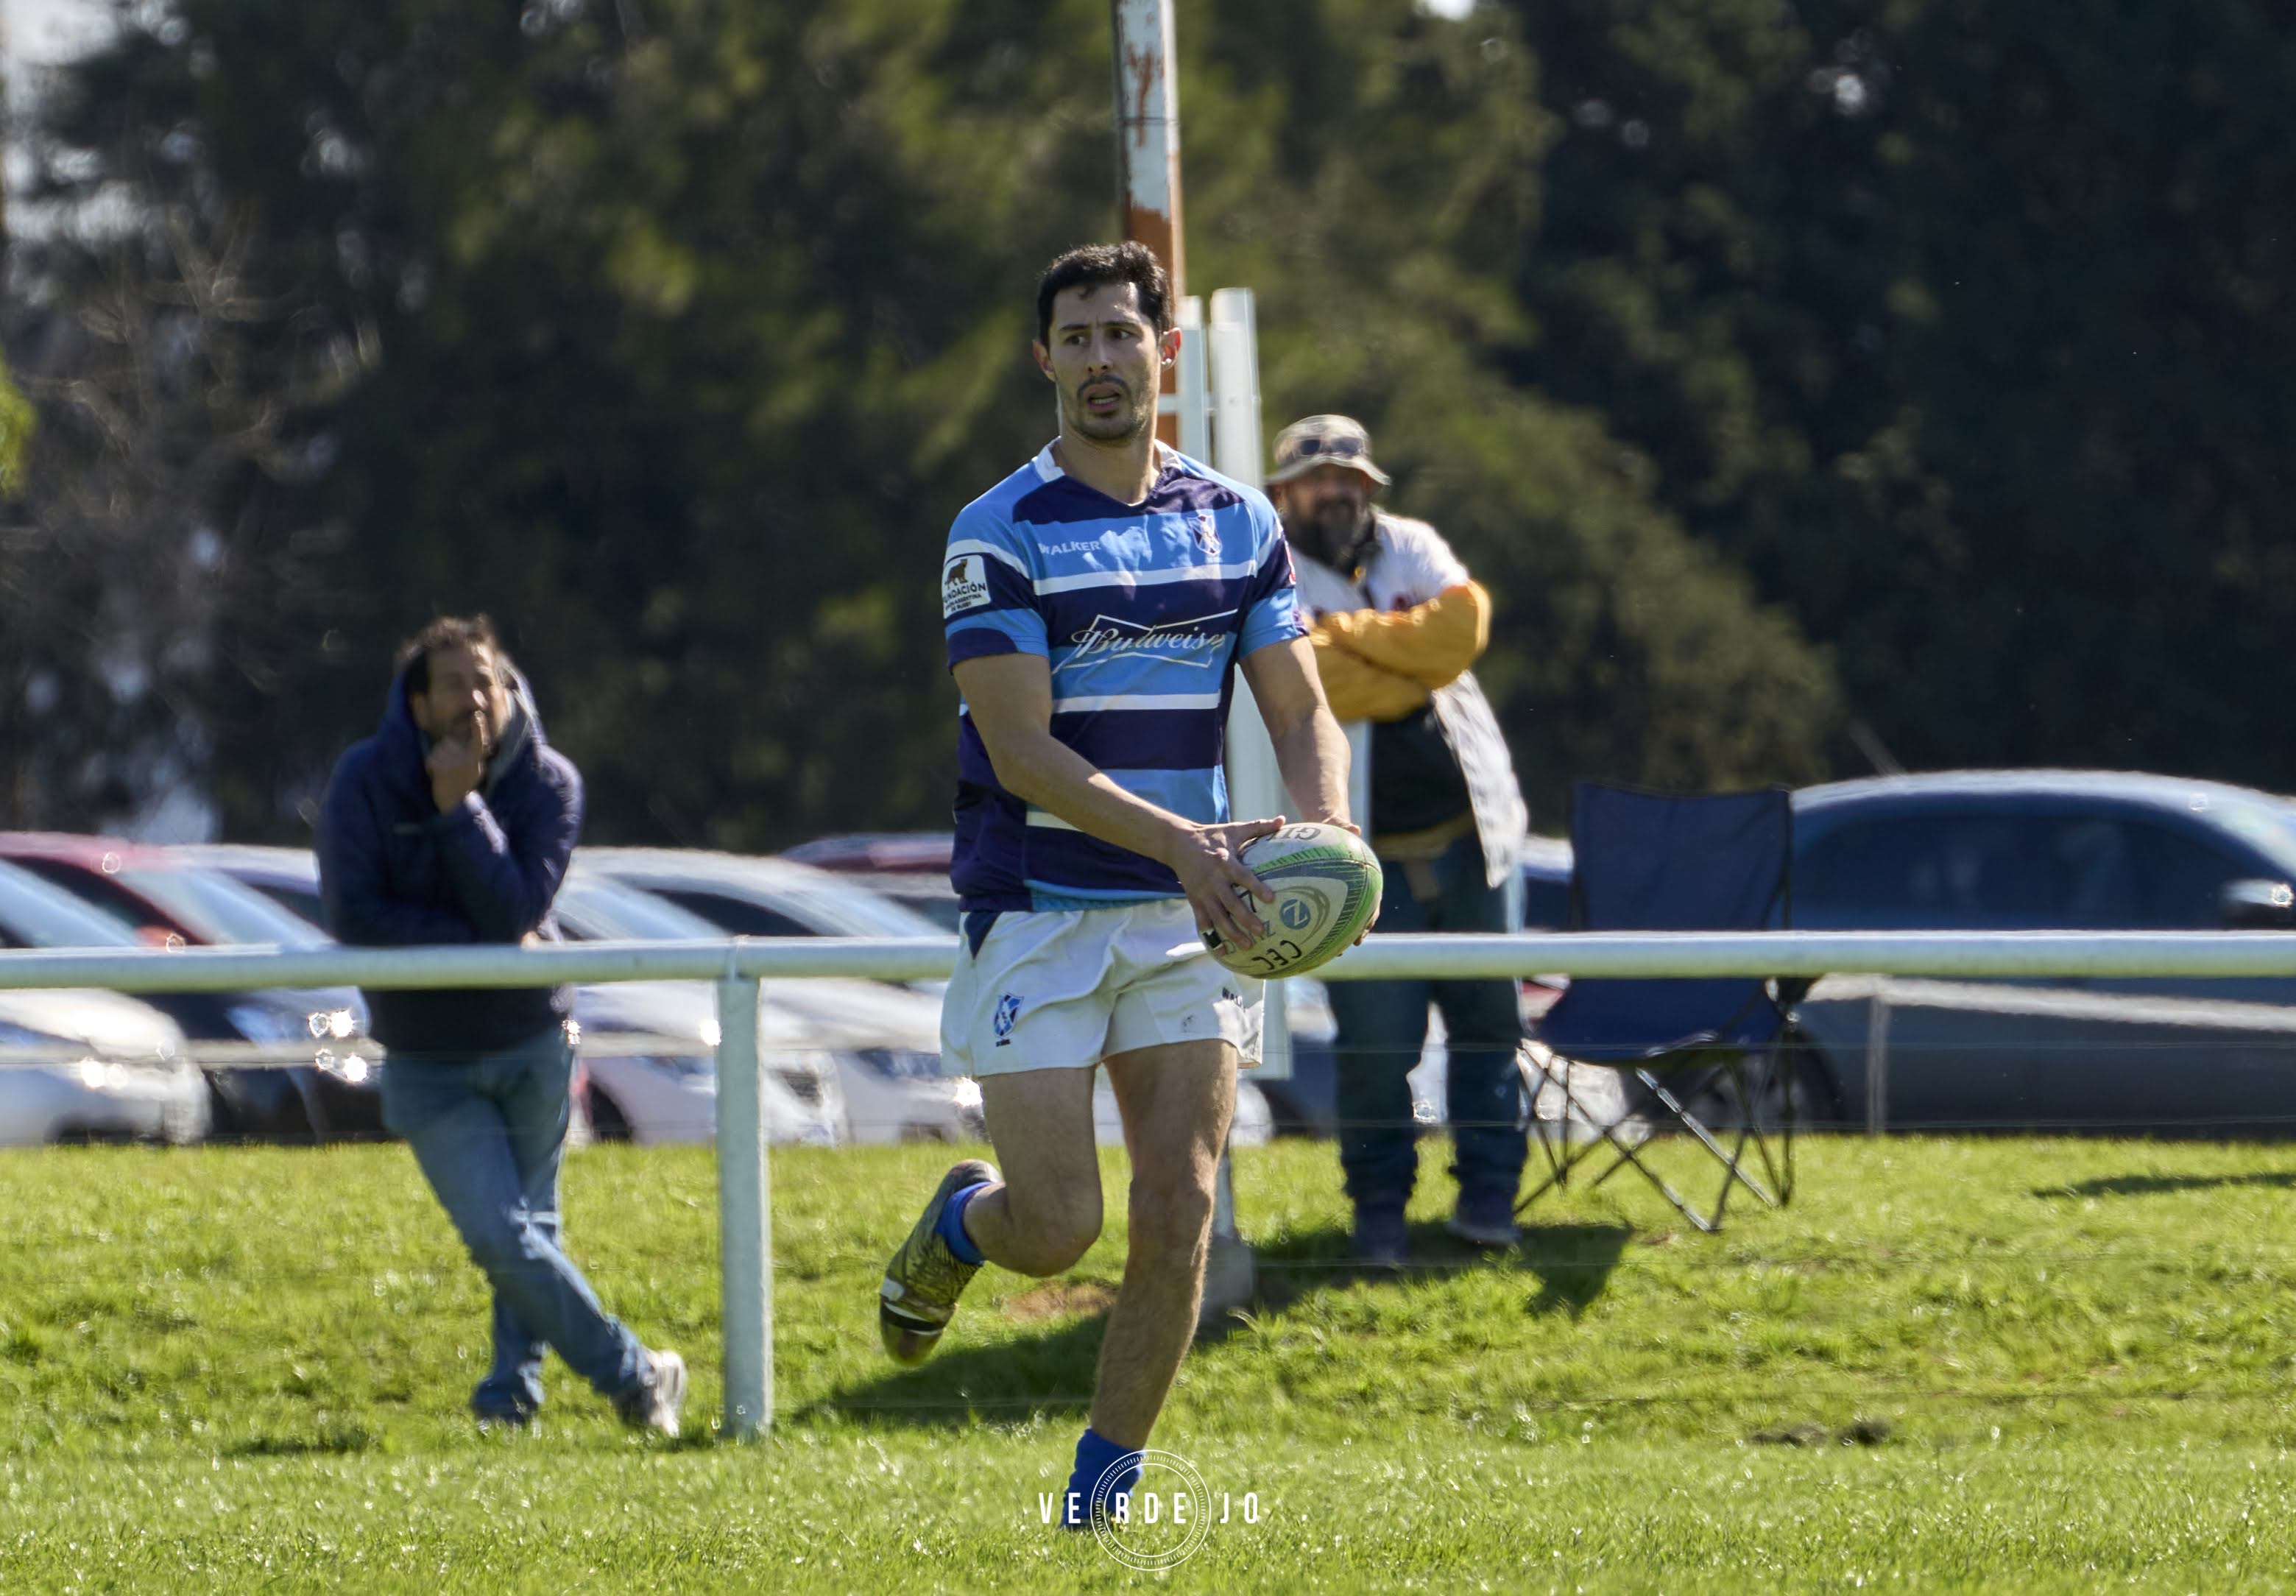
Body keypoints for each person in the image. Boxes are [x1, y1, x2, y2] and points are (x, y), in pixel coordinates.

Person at [878, 242, 1359, 1528]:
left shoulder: (1237, 520)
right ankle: (961, 1228)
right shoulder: (996, 532)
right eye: (1075, 338)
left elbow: (1301, 703)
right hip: (1036, 910)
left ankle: (1103, 1489)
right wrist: (1186, 844)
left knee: (1181, 1197)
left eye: (1118, 334)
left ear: (1164, 353)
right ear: (1044, 360)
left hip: (1180, 914)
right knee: (1058, 1220)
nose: (1099, 358)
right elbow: (1024, 753)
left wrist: (1324, 836)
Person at [315, 614, 685, 1436]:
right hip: (427, 1055)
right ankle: (636, 1372)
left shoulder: (549, 781)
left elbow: (520, 904)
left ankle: (507, 1403)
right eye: (454, 682)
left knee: (529, 1232)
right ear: (417, 705)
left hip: (531, 1040)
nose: (476, 697)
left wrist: (460, 813)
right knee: (500, 1233)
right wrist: (477, 920)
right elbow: (358, 916)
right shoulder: (363, 780)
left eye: (488, 679)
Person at [1267, 415, 1532, 1266]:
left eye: (1351, 477)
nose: (1338, 491)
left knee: (1490, 1027)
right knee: (1376, 1049)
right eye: (1318, 479)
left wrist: (1342, 634)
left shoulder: (1410, 543)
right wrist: (1399, 654)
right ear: (1284, 492)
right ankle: (1378, 1211)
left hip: (1470, 840)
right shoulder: (1266, 565)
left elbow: (1460, 636)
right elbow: (1315, 680)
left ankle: (1489, 1197)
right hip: (1360, 858)